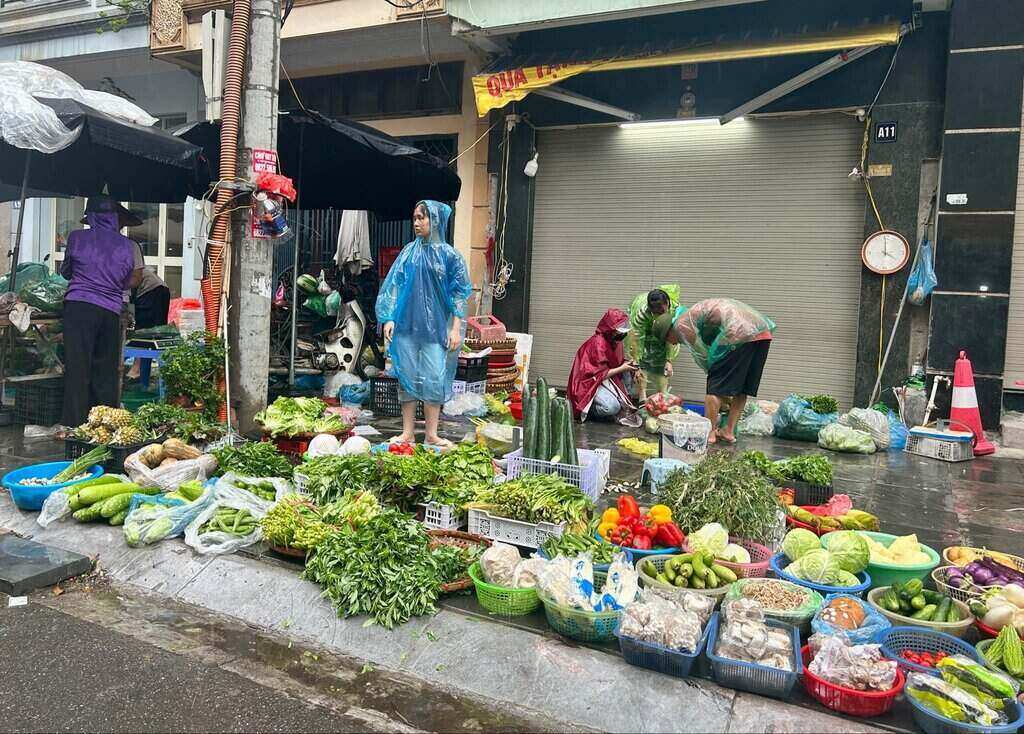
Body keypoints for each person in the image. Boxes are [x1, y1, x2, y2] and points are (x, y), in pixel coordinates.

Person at [376, 200, 471, 448]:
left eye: (422, 218)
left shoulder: (450, 256)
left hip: (435, 331)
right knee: (406, 378)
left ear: (435, 220)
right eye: (415, 218)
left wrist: (455, 328)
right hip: (406, 328)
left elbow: (460, 293)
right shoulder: (409, 252)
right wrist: (389, 318)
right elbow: (393, 286)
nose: (416, 223)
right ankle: (407, 433)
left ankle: (431, 434)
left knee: (433, 379)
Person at [60, 197, 144, 427]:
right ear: (115, 218)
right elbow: (129, 280)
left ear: (92, 218)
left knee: (78, 366)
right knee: (105, 369)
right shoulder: (127, 246)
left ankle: (75, 424)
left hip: (79, 307)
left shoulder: (77, 238)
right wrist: (110, 283)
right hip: (110, 310)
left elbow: (66, 271)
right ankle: (104, 425)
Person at [666, 298, 775, 444]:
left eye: (667, 339)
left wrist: (714, 371)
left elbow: (701, 352)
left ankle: (709, 433)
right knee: (743, 388)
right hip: (762, 334)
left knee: (714, 388)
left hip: (739, 332)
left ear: (668, 331)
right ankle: (728, 431)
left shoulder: (681, 324)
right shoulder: (695, 314)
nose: (672, 343)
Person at [567, 308, 638, 422]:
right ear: (610, 330)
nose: (622, 334)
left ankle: (622, 404)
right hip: (589, 383)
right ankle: (588, 410)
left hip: (606, 378)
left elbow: (616, 362)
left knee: (627, 372)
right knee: (612, 407)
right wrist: (622, 368)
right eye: (619, 331)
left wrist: (628, 364)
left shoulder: (615, 341)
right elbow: (599, 374)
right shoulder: (598, 345)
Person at [125, 241, 171, 380]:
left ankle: (138, 369)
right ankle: (141, 373)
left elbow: (129, 294)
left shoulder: (127, 266)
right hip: (160, 290)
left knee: (147, 333)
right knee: (153, 333)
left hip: (151, 291)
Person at [628, 285, 681, 401]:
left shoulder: (675, 311)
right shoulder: (642, 313)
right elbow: (635, 338)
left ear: (667, 303)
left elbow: (673, 339)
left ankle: (663, 395)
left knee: (663, 362)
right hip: (645, 329)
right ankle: (642, 397)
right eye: (656, 313)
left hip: (666, 329)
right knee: (643, 361)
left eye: (662, 311)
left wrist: (669, 360)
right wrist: (636, 362)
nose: (660, 315)